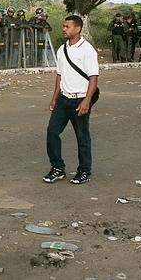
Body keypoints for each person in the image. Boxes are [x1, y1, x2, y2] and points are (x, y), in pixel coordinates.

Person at [43, 15, 99, 185]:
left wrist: (86, 101)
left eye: (67, 26)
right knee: (52, 132)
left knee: (82, 137)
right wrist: (54, 98)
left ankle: (84, 171)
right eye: (63, 26)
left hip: (79, 99)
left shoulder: (87, 50)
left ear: (78, 28)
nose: (64, 29)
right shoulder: (62, 49)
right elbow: (59, 75)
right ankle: (57, 168)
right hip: (63, 99)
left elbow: (93, 77)